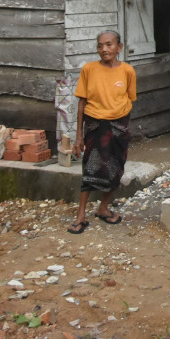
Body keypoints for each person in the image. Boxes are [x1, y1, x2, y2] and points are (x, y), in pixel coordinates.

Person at [68, 30, 137, 234]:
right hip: (95, 125)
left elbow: (129, 100)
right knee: (90, 168)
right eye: (100, 45)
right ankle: (81, 215)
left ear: (119, 47)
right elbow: (82, 102)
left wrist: (120, 123)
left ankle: (103, 208)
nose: (104, 49)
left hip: (119, 126)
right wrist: (79, 136)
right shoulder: (89, 70)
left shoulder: (128, 71)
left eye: (109, 44)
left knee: (116, 167)